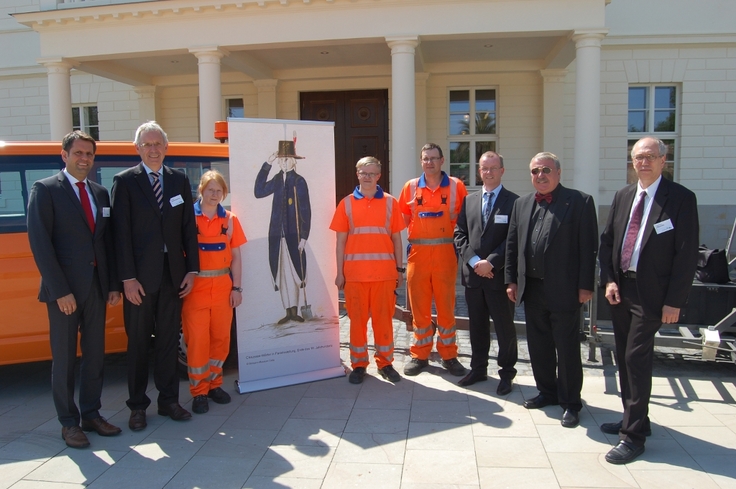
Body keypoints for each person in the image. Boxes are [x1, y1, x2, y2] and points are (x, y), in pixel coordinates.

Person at [599, 137, 699, 464]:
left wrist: (675, 302)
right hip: (622, 290)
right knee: (626, 357)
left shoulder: (681, 199)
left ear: (663, 160)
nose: (643, 162)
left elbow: (686, 256)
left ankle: (634, 436)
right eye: (638, 157)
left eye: (650, 157)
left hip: (654, 296)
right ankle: (634, 416)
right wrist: (610, 280)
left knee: (635, 358)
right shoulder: (623, 195)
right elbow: (608, 243)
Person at [27, 130, 122, 448]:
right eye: (78, 153)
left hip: (96, 288)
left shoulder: (100, 193)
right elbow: (40, 243)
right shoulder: (46, 189)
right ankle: (69, 423)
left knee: (95, 356)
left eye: (89, 154)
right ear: (64, 155)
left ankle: (91, 414)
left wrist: (111, 285)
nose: (84, 159)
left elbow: (105, 242)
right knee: (65, 358)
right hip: (64, 293)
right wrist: (59, 290)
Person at [111, 121, 199, 431]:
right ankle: (137, 407)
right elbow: (119, 235)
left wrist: (192, 269)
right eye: (146, 145)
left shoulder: (178, 180)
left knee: (166, 342)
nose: (152, 149)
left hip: (173, 275)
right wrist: (127, 278)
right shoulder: (125, 182)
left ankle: (169, 401)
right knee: (137, 343)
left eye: (157, 144)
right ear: (137, 149)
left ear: (166, 147)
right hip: (138, 280)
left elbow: (189, 227)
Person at [505, 152, 598, 428]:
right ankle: (547, 391)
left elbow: (588, 247)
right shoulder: (521, 204)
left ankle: (571, 402)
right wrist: (511, 280)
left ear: (558, 172)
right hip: (532, 289)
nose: (540, 175)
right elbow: (513, 246)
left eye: (546, 170)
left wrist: (585, 286)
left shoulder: (580, 202)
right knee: (539, 345)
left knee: (567, 348)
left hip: (566, 290)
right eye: (535, 171)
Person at [330, 157, 406, 384]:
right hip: (355, 276)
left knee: (383, 320)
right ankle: (359, 364)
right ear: (357, 173)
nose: (368, 177)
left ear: (379, 176)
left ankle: (385, 363)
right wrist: (340, 272)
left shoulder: (391, 203)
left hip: (384, 275)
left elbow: (397, 239)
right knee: (357, 321)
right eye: (364, 173)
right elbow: (340, 242)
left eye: (372, 174)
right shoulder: (346, 204)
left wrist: (399, 270)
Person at [398, 143, 468, 377]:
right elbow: (404, 219)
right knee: (419, 307)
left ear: (442, 160)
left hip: (445, 253)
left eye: (434, 158)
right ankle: (420, 354)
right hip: (418, 253)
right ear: (421, 161)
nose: (429, 162)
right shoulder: (410, 187)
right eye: (425, 158)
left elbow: (465, 220)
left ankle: (449, 355)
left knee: (446, 307)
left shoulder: (457, 186)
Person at [182, 170, 247, 414]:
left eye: (219, 191)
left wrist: (237, 287)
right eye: (210, 190)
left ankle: (215, 385)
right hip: (195, 289)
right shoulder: (187, 217)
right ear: (201, 190)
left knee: (220, 340)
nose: (215, 194)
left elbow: (237, 257)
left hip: (222, 287)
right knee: (198, 341)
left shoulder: (230, 220)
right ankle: (199, 392)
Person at [454, 151, 519, 393]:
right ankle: (478, 368)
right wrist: (473, 261)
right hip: (474, 279)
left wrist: (491, 262)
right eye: (484, 168)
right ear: (479, 171)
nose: (488, 172)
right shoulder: (469, 200)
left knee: (504, 328)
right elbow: (459, 234)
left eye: (493, 168)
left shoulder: (514, 202)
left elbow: (514, 239)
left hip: (499, 277)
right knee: (477, 327)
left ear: (502, 171)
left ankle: (506, 374)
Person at [254, 140, 311, 325]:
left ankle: (295, 311)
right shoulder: (278, 179)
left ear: (294, 161)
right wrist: (267, 165)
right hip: (277, 235)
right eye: (281, 159)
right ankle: (288, 311)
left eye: (287, 159)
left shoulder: (299, 181)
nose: (284, 162)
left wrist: (304, 236)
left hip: (294, 235)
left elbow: (305, 209)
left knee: (294, 273)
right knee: (281, 273)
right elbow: (259, 191)